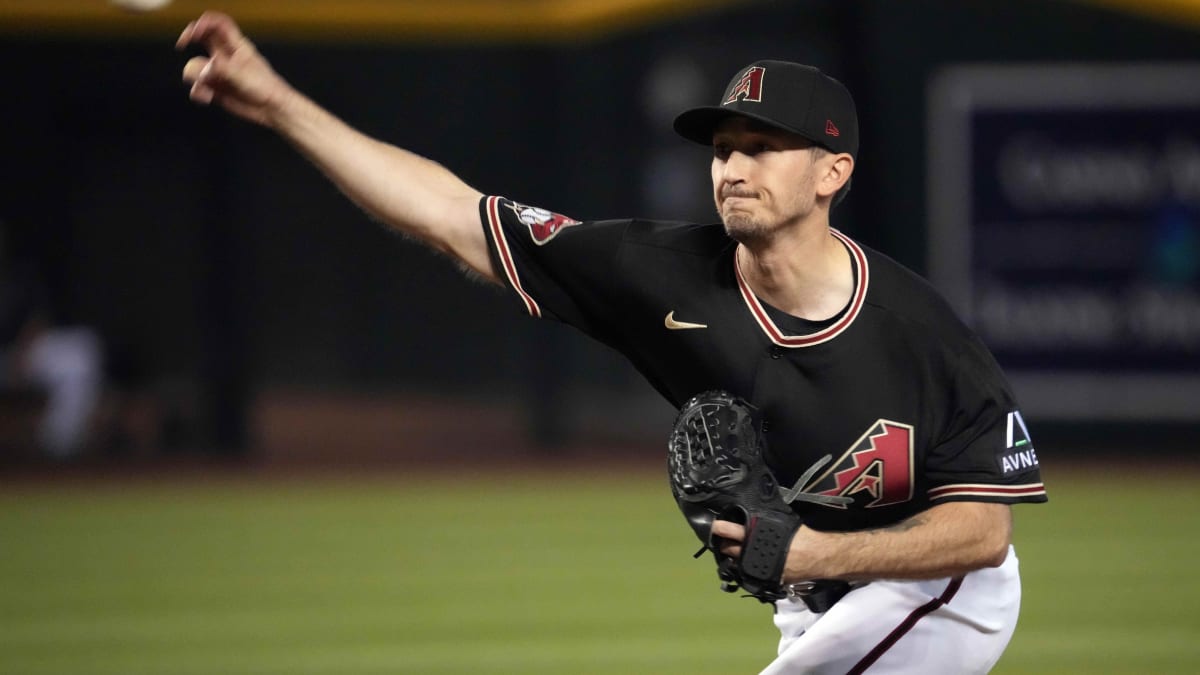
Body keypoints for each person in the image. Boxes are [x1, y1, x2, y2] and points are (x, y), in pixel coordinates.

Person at [178, 12, 1047, 673]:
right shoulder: (654, 272)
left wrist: (820, 552)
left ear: (832, 173)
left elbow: (982, 531)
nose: (732, 168)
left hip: (941, 592)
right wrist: (278, 104)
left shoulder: (922, 335)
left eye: (763, 148)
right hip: (813, 596)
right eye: (723, 148)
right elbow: (453, 216)